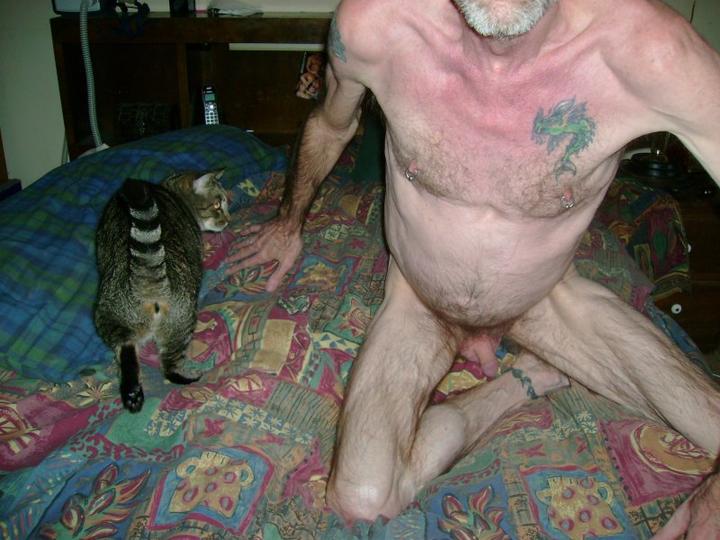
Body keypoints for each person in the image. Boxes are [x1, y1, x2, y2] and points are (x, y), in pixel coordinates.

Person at [227, 0, 720, 536]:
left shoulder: (651, 54)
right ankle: (517, 385)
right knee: (363, 502)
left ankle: (535, 369)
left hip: (544, 299)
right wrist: (289, 222)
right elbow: (329, 125)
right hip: (417, 297)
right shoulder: (374, 26)